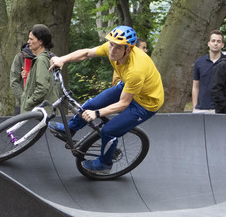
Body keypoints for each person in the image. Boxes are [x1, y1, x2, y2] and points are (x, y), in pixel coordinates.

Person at [48, 25, 164, 173]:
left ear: (128, 49)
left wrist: (97, 114)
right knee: (91, 104)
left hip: (146, 103)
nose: (112, 50)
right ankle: (69, 130)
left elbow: (124, 103)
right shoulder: (114, 46)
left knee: (109, 130)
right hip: (128, 86)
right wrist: (62, 59)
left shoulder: (136, 70)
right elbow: (87, 53)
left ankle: (105, 164)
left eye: (117, 48)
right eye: (111, 45)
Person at [19, 24, 59, 114]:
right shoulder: (45, 58)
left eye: (31, 39)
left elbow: (42, 88)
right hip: (43, 112)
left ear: (40, 41)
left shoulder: (41, 60)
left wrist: (28, 103)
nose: (28, 42)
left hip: (40, 113)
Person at [192, 30, 226, 113]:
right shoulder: (199, 62)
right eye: (213, 41)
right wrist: (195, 106)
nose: (215, 43)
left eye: (218, 41)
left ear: (222, 45)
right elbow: (195, 86)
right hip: (201, 109)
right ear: (208, 43)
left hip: (222, 109)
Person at [10, 44, 31, 114]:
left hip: (44, 104)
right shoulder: (20, 57)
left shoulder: (49, 57)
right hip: (22, 104)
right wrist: (23, 99)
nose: (29, 41)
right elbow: (14, 81)